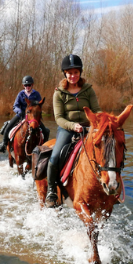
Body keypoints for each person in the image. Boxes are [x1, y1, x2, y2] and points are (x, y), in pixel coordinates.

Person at [45, 54, 102, 208]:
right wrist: (73, 126)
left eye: (76, 72)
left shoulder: (88, 90)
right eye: (69, 72)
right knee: (55, 157)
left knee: (107, 150)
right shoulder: (59, 93)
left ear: (80, 73)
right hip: (67, 129)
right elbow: (59, 118)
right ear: (65, 73)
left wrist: (96, 123)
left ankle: (109, 186)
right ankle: (51, 190)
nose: (73, 76)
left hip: (89, 127)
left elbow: (96, 110)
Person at [0, 75, 50, 153]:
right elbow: (15, 106)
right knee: (8, 127)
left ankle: (44, 147)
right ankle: (4, 144)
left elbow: (39, 105)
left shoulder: (36, 94)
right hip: (21, 115)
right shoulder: (20, 94)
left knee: (45, 131)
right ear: (23, 85)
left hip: (32, 117)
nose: (27, 87)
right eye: (25, 85)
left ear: (32, 85)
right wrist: (19, 111)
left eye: (29, 85)